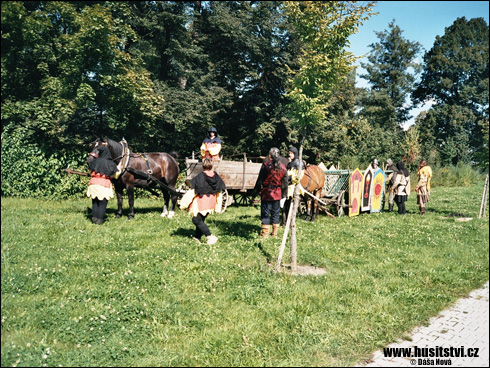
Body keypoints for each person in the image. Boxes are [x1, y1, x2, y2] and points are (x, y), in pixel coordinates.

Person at [180, 158, 226, 244]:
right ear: (211, 166)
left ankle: (210, 236)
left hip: (202, 202)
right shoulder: (216, 176)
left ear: (202, 166)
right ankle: (197, 238)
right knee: (200, 219)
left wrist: (183, 203)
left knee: (196, 220)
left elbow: (192, 191)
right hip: (211, 202)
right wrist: (218, 205)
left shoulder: (200, 177)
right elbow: (219, 191)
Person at [254, 147, 287, 238]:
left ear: (270, 156)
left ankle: (265, 235)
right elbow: (285, 183)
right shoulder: (283, 167)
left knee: (265, 213)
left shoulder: (265, 166)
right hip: (277, 194)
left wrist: (254, 193)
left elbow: (260, 181)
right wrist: (284, 195)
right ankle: (274, 234)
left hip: (266, 193)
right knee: (276, 213)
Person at [86, 142, 118, 224]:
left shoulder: (94, 162)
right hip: (104, 184)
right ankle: (99, 220)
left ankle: (94, 218)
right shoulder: (111, 163)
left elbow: (90, 171)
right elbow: (115, 175)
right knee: (103, 203)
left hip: (93, 184)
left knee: (95, 202)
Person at [282, 146, 305, 225]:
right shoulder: (289, 163)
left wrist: (291, 178)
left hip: (294, 186)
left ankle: (289, 220)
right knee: (285, 204)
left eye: (291, 153)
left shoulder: (299, 163)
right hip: (287, 185)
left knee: (289, 204)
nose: (290, 155)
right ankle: (284, 221)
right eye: (289, 153)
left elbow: (300, 175)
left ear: (295, 154)